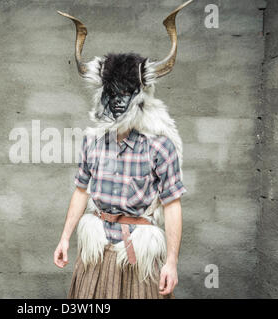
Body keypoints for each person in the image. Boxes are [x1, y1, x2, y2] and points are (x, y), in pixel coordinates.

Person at [53, 1, 192, 299]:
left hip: (138, 257)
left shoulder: (160, 146)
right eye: (111, 93)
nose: (117, 101)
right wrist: (65, 238)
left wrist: (171, 261)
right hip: (96, 252)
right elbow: (81, 191)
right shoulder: (93, 142)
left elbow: (172, 204)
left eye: (125, 93)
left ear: (141, 96)